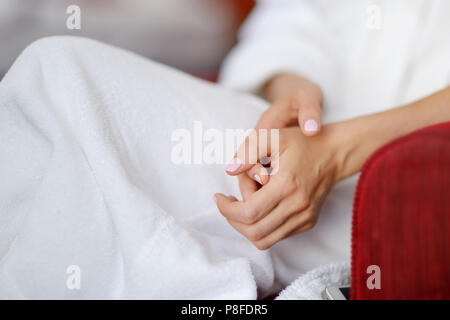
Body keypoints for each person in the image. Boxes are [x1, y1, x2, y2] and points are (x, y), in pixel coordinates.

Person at [0, 0, 448, 298]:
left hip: (391, 175)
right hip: (301, 136)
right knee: (57, 81)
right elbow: (293, 21)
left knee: (66, 82)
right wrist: (293, 99)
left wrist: (336, 150)